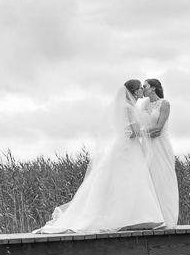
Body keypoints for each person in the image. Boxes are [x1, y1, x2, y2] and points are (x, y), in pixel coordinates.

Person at [35, 80, 165, 234]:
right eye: (139, 89)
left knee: (128, 181)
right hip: (129, 148)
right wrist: (147, 132)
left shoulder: (128, 106)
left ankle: (136, 218)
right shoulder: (128, 108)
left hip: (129, 147)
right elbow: (133, 132)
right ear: (134, 91)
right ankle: (133, 218)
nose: (142, 91)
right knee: (130, 179)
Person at [138, 78, 179, 228]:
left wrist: (137, 134)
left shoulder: (164, 104)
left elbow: (158, 129)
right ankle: (152, 219)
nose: (143, 89)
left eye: (145, 86)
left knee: (162, 178)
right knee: (148, 180)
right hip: (146, 147)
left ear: (154, 88)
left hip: (160, 146)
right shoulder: (142, 106)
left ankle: (167, 219)